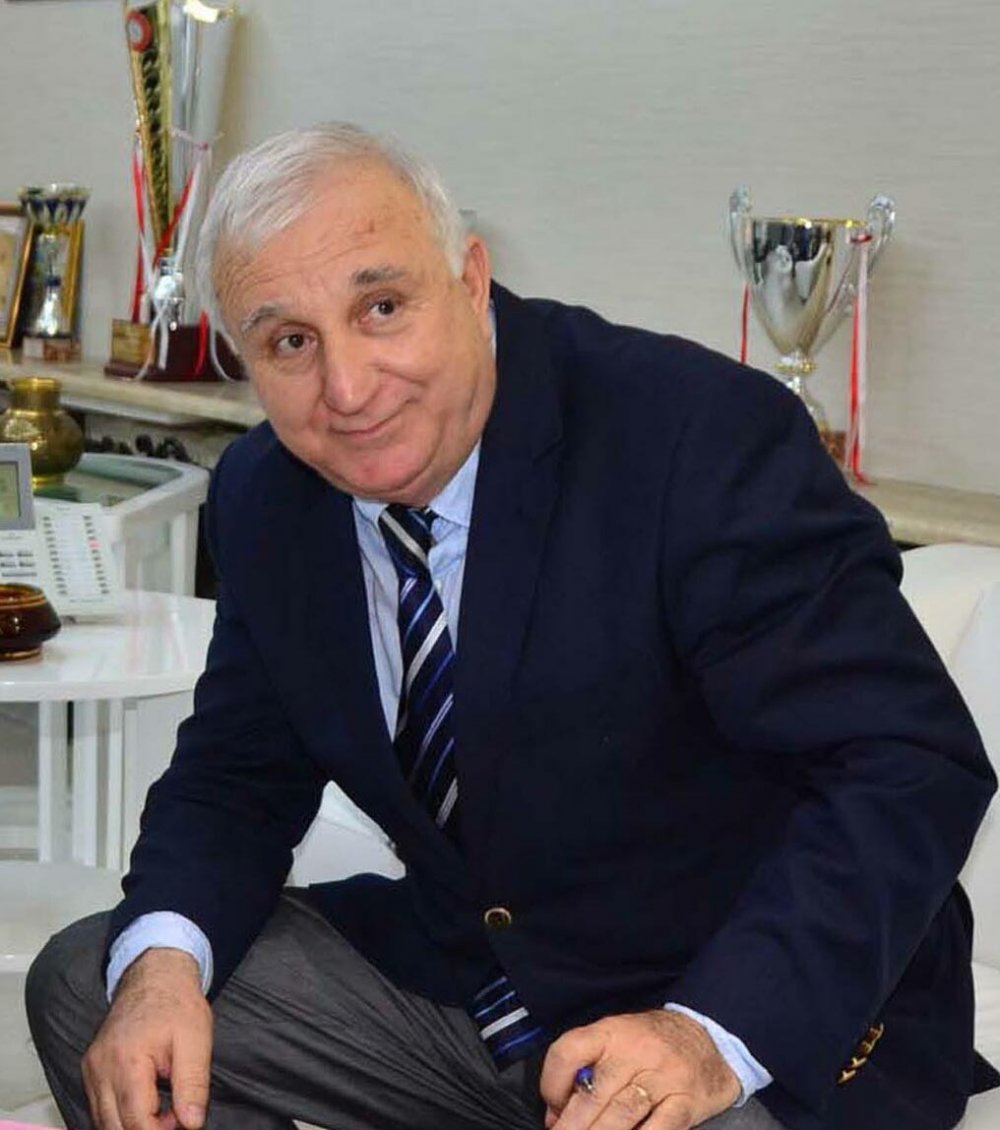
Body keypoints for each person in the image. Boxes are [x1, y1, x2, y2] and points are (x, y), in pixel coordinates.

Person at [26, 122, 999, 1130]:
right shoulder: (267, 494)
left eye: (382, 307)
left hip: (717, 1001)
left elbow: (906, 761)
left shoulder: (692, 437)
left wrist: (709, 1035)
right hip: (473, 990)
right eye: (290, 343)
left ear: (471, 279)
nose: (348, 389)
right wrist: (164, 966)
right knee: (99, 995)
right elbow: (238, 774)